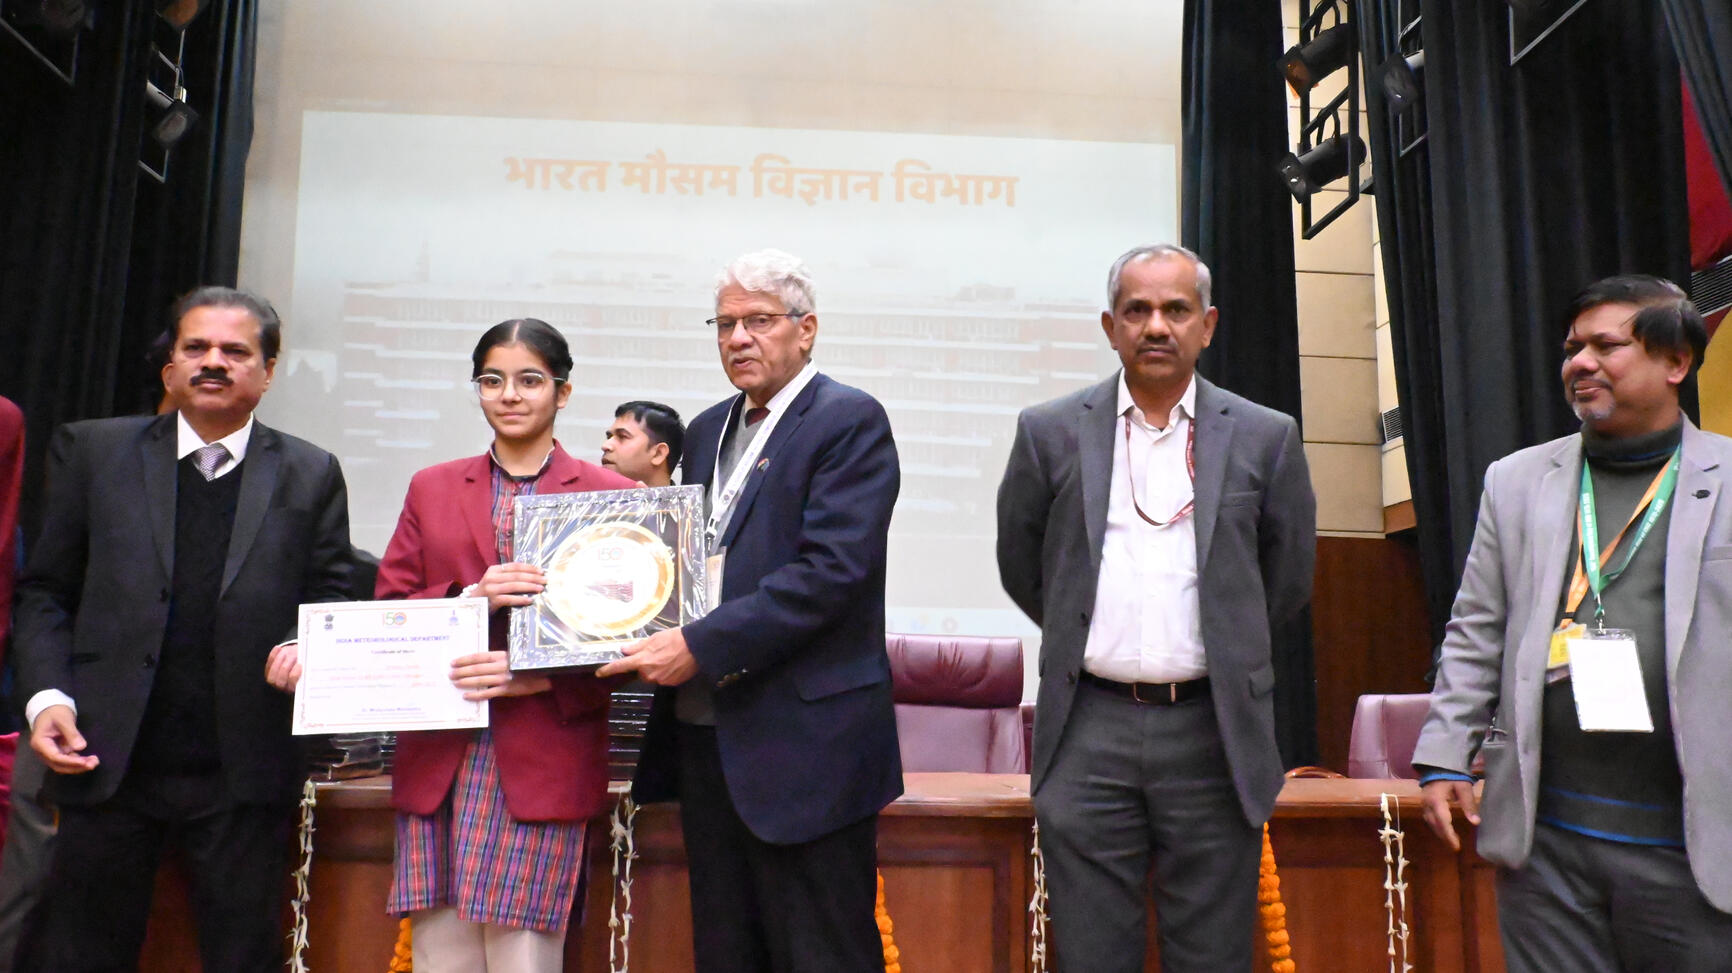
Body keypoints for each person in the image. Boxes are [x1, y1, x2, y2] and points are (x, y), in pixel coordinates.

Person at [10, 286, 353, 970]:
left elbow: (331, 594)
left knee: (242, 956)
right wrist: (48, 697)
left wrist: (305, 644)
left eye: (235, 350)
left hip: (243, 768)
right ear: (170, 366)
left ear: (268, 371)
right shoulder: (93, 452)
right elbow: (45, 591)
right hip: (104, 754)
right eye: (196, 347)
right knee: (81, 955)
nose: (214, 362)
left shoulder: (310, 470)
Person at [995, 244, 1315, 972]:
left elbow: (1287, 578)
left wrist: (1223, 644)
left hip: (1214, 728)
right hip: (1089, 728)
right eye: (1136, 310)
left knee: (1212, 955)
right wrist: (1087, 632)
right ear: (1111, 327)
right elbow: (1023, 564)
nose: (1156, 326)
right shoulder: (1048, 431)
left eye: (1176, 309)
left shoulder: (1266, 436)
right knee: (1090, 954)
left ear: (1208, 325)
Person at [1415, 275, 1732, 972]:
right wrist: (1443, 753)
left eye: (1605, 346)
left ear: (1676, 361)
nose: (1580, 363)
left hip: (1696, 847)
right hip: (1547, 843)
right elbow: (1476, 627)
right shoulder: (1516, 481)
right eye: (1571, 349)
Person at [602, 249, 902, 973]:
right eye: (725, 323)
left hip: (808, 746)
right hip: (710, 736)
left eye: (759, 320)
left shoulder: (848, 420)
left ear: (806, 330)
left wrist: (700, 644)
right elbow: (691, 558)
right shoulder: (707, 429)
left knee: (822, 953)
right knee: (726, 951)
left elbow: (831, 573)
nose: (739, 337)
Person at [358, 319, 632, 971]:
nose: (509, 394)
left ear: (563, 392)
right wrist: (470, 599)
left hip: (541, 754)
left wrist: (535, 677)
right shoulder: (432, 485)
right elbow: (388, 612)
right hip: (440, 758)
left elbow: (632, 643)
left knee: (523, 960)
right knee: (440, 958)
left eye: (530, 380)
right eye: (492, 380)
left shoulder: (611, 495)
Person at [601, 400, 684, 486]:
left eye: (622, 436)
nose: (605, 446)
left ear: (658, 453)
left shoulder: (691, 495)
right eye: (609, 437)